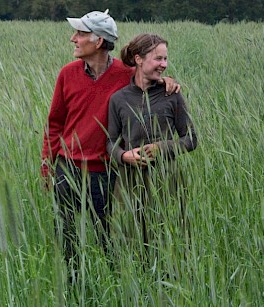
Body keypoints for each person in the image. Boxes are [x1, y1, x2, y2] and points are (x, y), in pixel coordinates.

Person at [41, 10, 179, 275]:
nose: (73, 39)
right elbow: (54, 124)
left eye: (80, 34)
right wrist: (48, 166)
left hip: (107, 174)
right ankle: (76, 291)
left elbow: (154, 80)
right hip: (67, 171)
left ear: (99, 42)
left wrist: (168, 82)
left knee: (109, 241)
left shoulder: (125, 74)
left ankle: (115, 287)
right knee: (68, 241)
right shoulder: (67, 74)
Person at [106, 33, 198, 263]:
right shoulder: (118, 99)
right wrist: (124, 155)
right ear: (138, 59)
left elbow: (191, 138)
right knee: (130, 244)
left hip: (167, 180)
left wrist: (161, 147)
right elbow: (110, 142)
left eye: (165, 59)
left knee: (171, 243)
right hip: (129, 182)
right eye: (158, 59)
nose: (164, 65)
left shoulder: (172, 95)